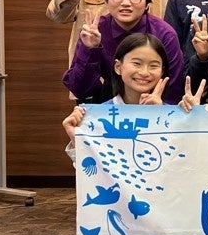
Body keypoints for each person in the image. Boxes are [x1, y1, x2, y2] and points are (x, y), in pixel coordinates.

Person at [62, 0, 184, 104]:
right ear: (106, 0)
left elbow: (174, 87)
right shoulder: (95, 31)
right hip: (109, 102)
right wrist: (90, 49)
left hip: (156, 103)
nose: (125, 2)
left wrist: (159, 110)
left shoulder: (164, 34)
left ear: (147, 4)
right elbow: (80, 90)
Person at [62, 33, 171, 164]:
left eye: (153, 65)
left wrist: (165, 116)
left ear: (162, 71)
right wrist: (77, 139)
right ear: (118, 67)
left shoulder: (172, 116)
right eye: (137, 63)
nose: (144, 72)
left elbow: (179, 161)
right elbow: (90, 170)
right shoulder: (96, 116)